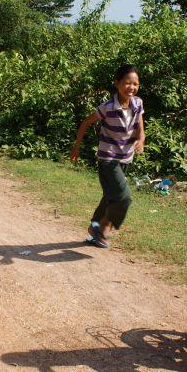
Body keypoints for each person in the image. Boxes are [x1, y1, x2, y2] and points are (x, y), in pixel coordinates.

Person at [70, 64, 145, 248]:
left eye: (135, 84)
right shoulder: (108, 107)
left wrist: (141, 141)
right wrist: (76, 146)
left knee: (111, 195)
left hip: (125, 157)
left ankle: (95, 227)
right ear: (117, 83)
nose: (132, 87)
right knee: (124, 197)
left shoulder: (137, 103)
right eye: (127, 83)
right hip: (108, 158)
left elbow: (140, 129)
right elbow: (86, 123)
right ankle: (104, 227)